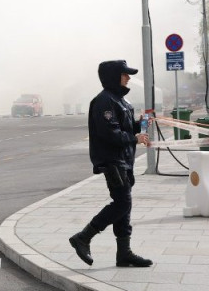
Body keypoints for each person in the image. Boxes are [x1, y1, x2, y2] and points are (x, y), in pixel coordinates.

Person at [69, 60, 153, 268]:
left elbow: (126, 127)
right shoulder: (104, 102)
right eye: (125, 74)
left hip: (125, 160)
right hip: (113, 161)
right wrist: (135, 138)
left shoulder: (121, 102)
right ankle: (84, 236)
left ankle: (124, 253)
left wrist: (141, 123)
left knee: (125, 205)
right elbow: (110, 134)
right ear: (114, 76)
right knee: (122, 203)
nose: (128, 78)